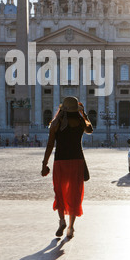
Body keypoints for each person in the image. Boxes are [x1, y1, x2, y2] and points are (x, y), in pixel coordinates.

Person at [41, 96, 93, 239]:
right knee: (74, 194)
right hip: (77, 161)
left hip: (60, 161)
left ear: (62, 109)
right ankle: (70, 227)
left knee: (60, 193)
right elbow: (90, 129)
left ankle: (62, 221)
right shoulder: (80, 121)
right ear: (77, 109)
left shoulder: (56, 123)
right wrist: (83, 114)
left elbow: (50, 145)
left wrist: (44, 164)